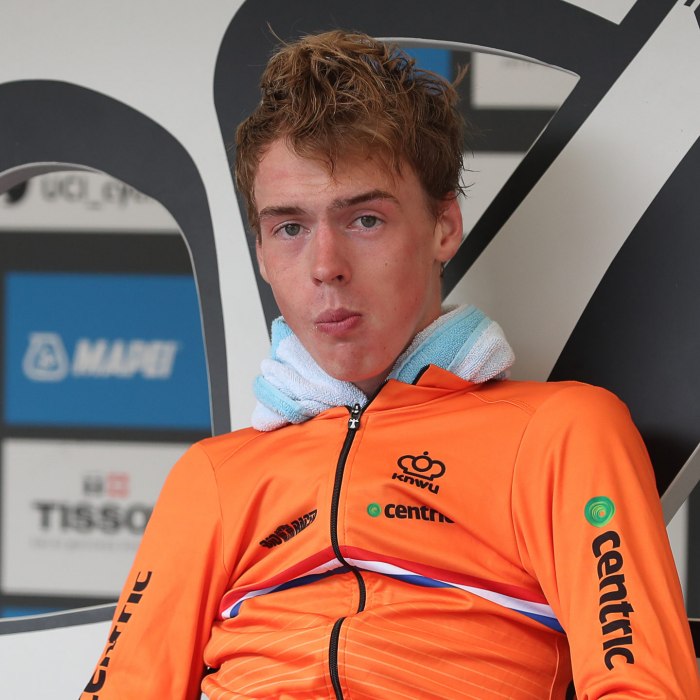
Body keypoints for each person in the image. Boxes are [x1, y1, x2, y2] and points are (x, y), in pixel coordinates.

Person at [82, 30, 699, 699]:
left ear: (443, 227)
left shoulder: (561, 433)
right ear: (260, 253)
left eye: (365, 220)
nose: (325, 267)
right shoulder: (213, 478)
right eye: (290, 228)